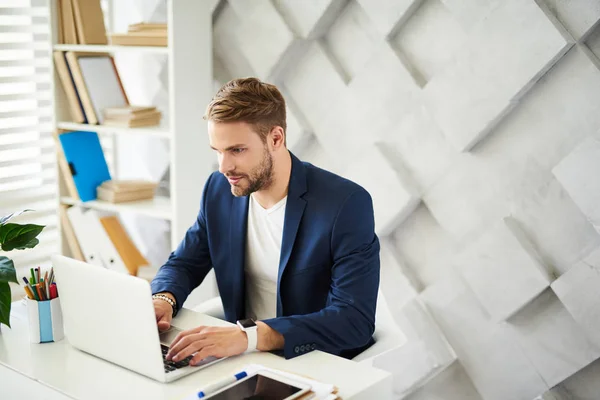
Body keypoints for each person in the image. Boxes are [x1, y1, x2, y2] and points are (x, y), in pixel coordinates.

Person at [151, 77, 380, 367]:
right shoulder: (218, 190)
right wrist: (164, 299)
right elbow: (185, 263)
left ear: (276, 138)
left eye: (237, 150)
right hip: (243, 358)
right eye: (218, 151)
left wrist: (249, 337)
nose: (224, 167)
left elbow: (353, 321)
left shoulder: (345, 204)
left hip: (310, 360)